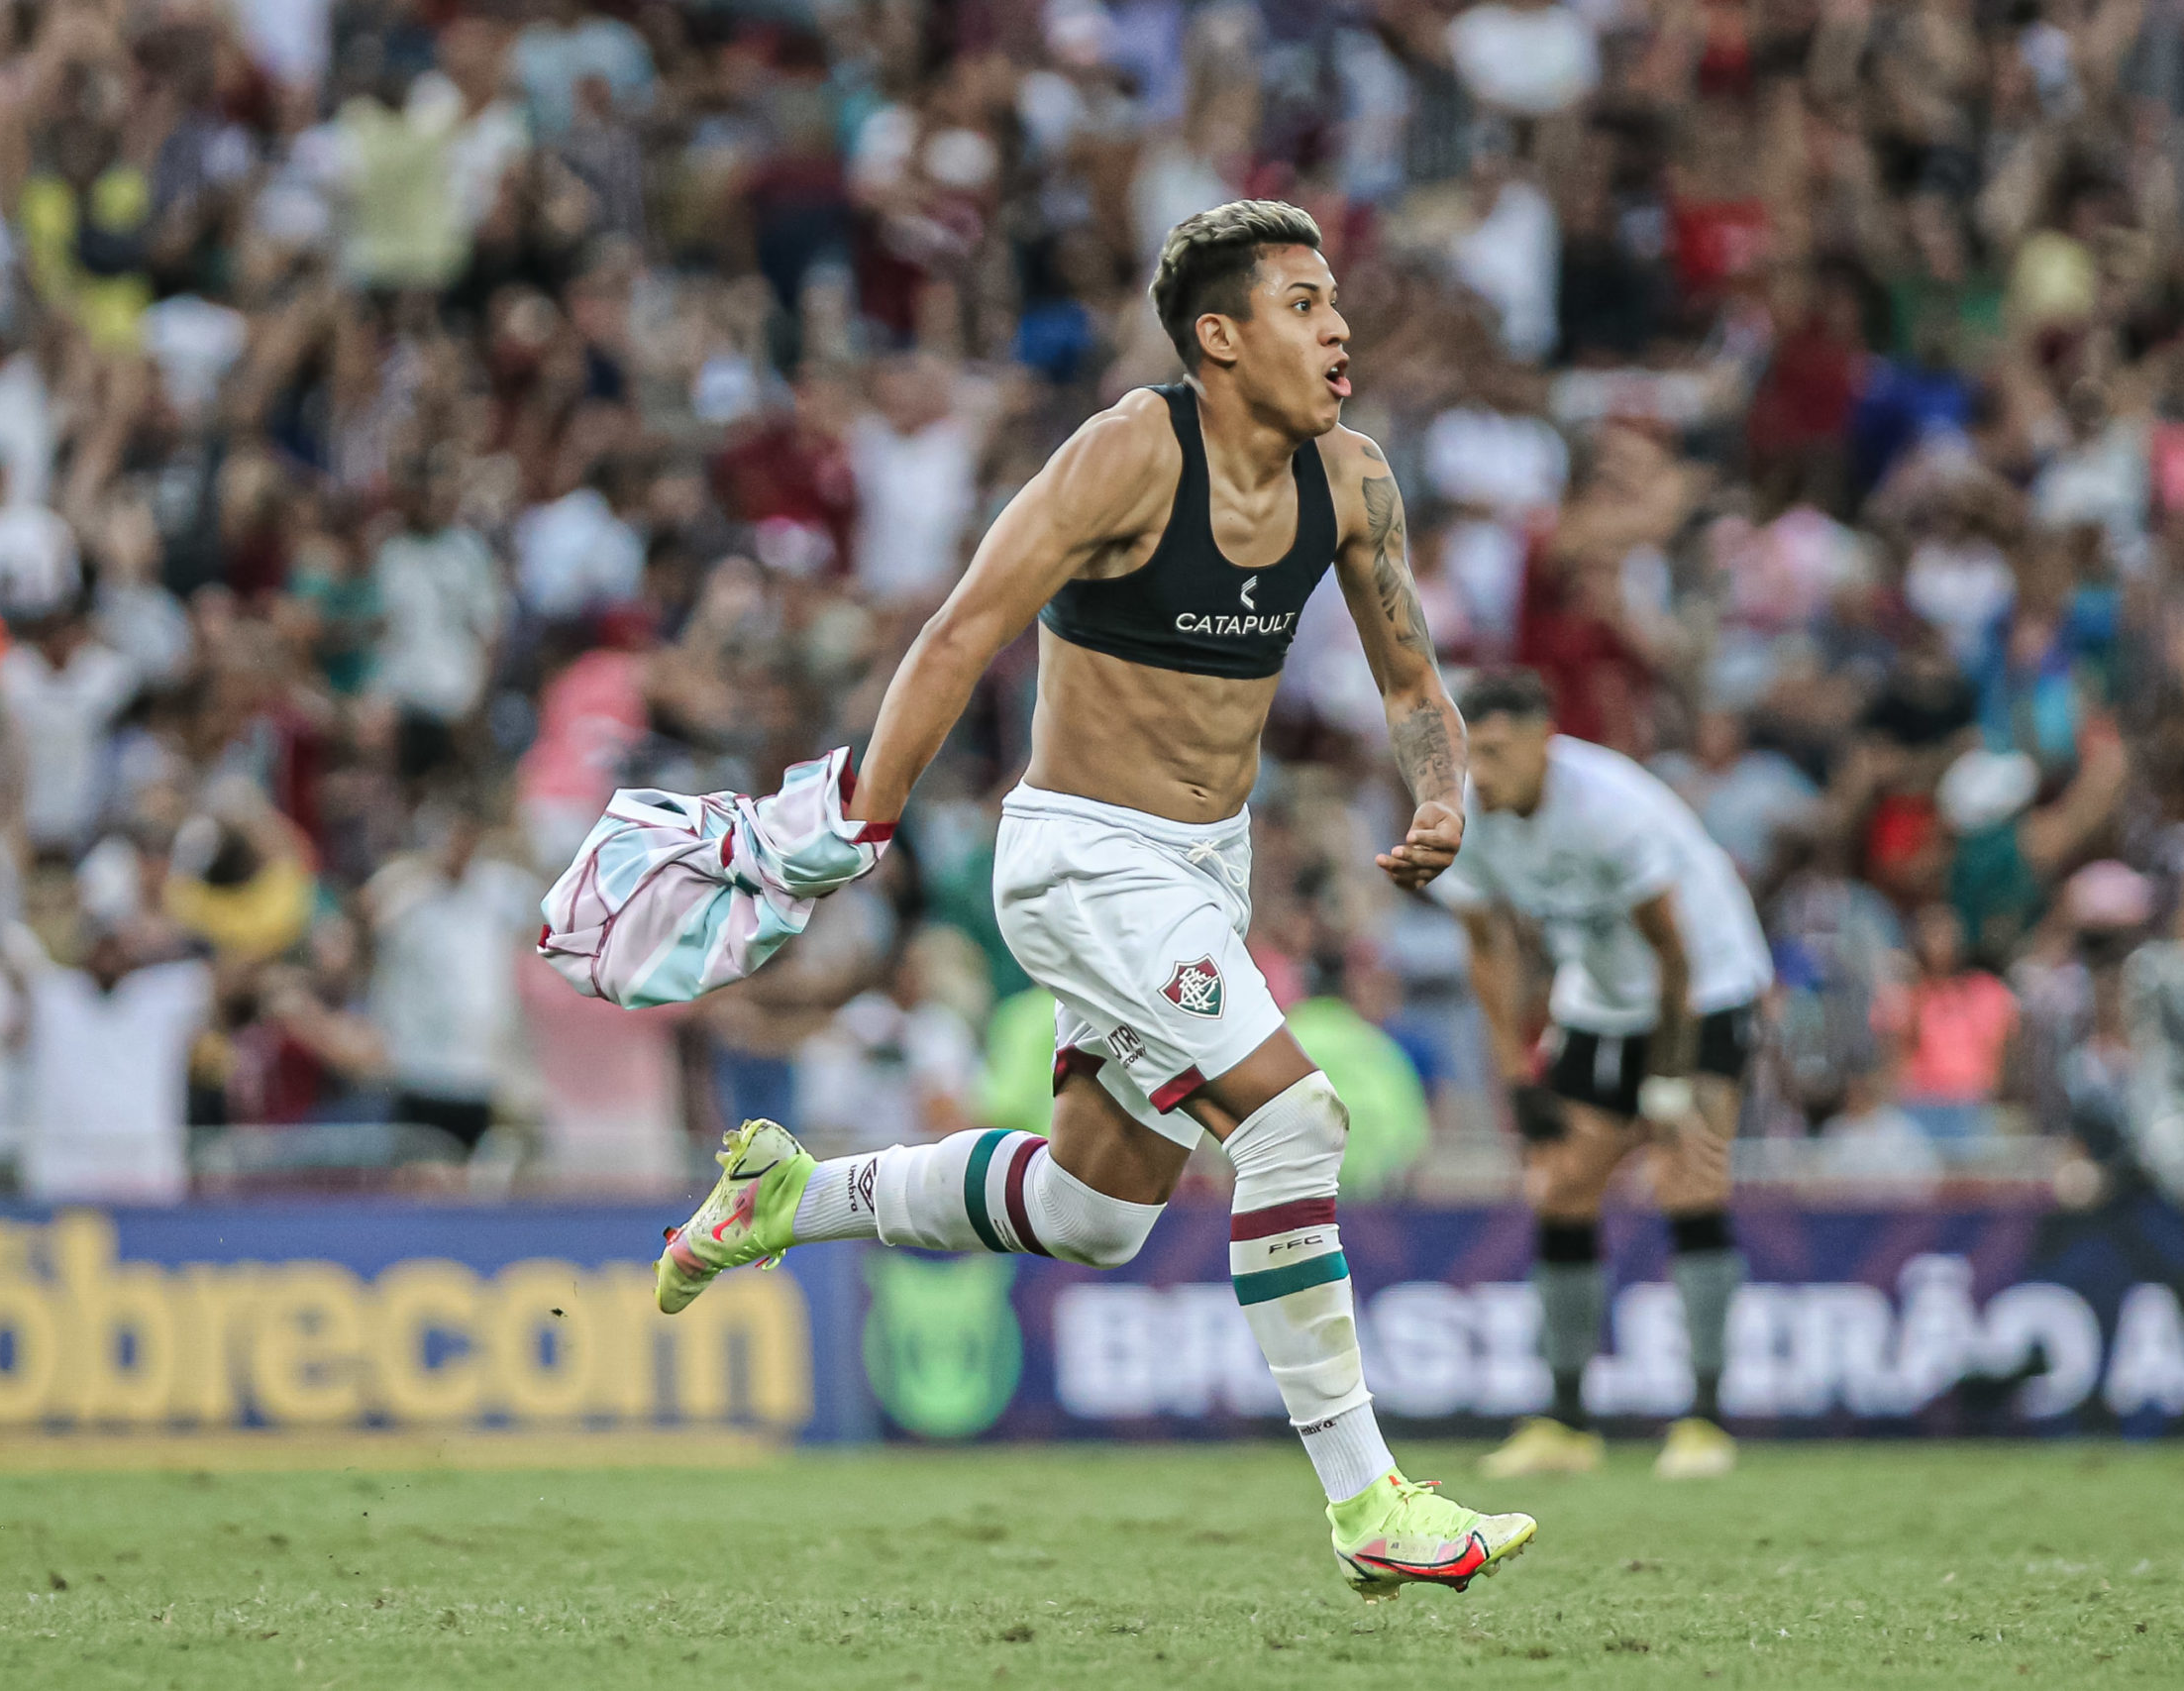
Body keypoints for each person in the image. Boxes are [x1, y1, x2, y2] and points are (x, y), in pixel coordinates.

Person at [542, 202, 1533, 1597]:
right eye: (1304, 304)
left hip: (1202, 869)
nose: (1339, 327)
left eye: (1334, 301)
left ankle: (785, 1197)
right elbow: (960, 629)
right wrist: (863, 811)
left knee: (1092, 1210)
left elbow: (1414, 680)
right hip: (1084, 857)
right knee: (1296, 1119)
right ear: (1220, 336)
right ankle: (1368, 1496)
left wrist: (1442, 792)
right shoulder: (1131, 451)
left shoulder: (1353, 478)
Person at [1435, 668, 1774, 1482]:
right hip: (1598, 997)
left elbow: (1674, 949)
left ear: (1544, 739)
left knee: (1688, 1175)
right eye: (1470, 753)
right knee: (1560, 1185)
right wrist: (1517, 1071)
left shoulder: (1611, 811)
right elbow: (1488, 948)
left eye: (1497, 751)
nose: (1481, 771)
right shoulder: (1466, 815)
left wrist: (1668, 1081)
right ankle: (1566, 1419)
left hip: (1706, 990)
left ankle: (1704, 1419)